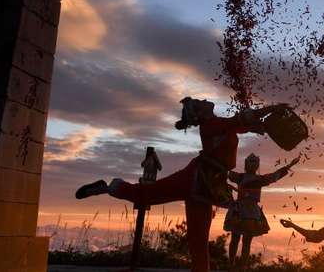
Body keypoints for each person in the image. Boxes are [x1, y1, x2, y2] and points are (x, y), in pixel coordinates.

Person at [74, 97, 289, 272]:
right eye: (199, 102)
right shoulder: (210, 124)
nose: (204, 100)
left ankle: (110, 188)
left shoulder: (218, 124)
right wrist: (271, 109)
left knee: (198, 240)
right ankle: (109, 187)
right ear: (201, 114)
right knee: (149, 194)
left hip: (207, 186)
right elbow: (240, 120)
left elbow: (239, 125)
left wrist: (258, 126)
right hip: (194, 178)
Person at [226, 153, 300, 269]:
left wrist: (289, 166)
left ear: (257, 165)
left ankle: (242, 268)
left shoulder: (261, 179)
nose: (253, 165)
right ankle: (231, 265)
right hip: (239, 210)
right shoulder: (240, 177)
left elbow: (275, 176)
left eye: (255, 162)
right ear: (246, 164)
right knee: (234, 239)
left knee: (247, 241)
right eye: (250, 162)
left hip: (252, 212)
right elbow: (226, 172)